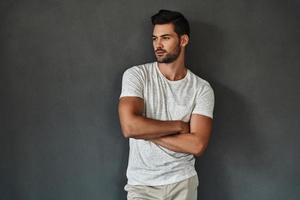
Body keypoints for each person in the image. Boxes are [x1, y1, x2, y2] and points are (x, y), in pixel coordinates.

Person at [118, 9, 215, 200]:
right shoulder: (137, 75)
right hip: (142, 185)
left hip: (183, 182)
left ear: (183, 40)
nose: (158, 45)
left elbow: (197, 145)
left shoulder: (201, 89)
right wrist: (178, 126)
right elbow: (130, 127)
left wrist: (145, 132)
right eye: (154, 38)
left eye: (165, 38)